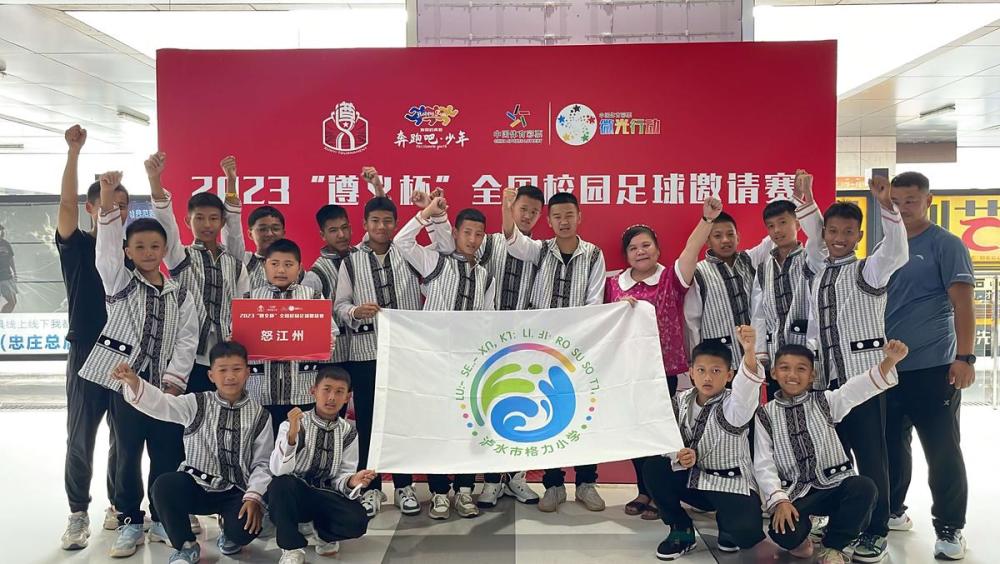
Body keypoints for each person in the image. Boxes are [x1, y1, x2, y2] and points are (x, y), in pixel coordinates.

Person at [76, 170, 199, 558]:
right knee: (126, 454)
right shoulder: (119, 283)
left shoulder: (181, 295)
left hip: (164, 389)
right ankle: (130, 520)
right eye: (140, 246)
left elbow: (187, 339)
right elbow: (106, 251)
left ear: (165, 250)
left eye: (155, 246)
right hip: (126, 385)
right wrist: (108, 198)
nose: (148, 252)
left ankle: (162, 517)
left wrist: (174, 381)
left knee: (167, 453)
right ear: (127, 252)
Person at [797, 175, 909, 562]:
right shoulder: (819, 270)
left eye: (848, 232)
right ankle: (844, 521)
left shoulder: (869, 270)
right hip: (826, 385)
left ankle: (877, 529)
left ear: (860, 236)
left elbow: (896, 251)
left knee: (871, 458)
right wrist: (808, 202)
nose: (839, 237)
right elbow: (813, 237)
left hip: (864, 382)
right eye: (833, 231)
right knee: (835, 457)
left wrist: (887, 208)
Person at [421, 184, 544, 508]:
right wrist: (435, 214)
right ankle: (490, 480)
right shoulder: (487, 242)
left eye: (533, 212)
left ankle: (516, 477)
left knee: (520, 409)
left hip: (522, 340)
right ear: (511, 207)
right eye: (522, 209)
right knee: (486, 413)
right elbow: (449, 244)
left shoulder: (539, 249)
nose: (527, 216)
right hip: (483, 341)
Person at [605, 197, 723, 520]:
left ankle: (661, 494)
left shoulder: (671, 278)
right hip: (629, 372)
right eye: (633, 248)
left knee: (662, 432)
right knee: (635, 432)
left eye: (646, 245)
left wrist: (707, 220)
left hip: (663, 371)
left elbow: (691, 251)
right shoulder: (614, 285)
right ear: (626, 255)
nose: (640, 251)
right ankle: (643, 490)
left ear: (657, 250)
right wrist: (618, 309)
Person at [110, 340, 272, 564]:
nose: (230, 376)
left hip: (235, 491)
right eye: (222, 370)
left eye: (236, 369)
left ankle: (229, 532)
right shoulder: (197, 403)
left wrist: (254, 497)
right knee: (164, 486)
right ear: (211, 375)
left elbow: (263, 463)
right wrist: (135, 382)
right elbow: (163, 404)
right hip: (196, 485)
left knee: (245, 530)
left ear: (247, 372)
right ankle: (186, 546)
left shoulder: (260, 415)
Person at [885, 171, 974, 560]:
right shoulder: (888, 245)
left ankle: (950, 528)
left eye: (911, 200)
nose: (903, 208)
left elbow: (963, 304)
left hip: (934, 368)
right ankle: (893, 511)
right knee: (891, 446)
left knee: (941, 451)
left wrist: (965, 358)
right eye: (896, 201)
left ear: (928, 200)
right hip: (889, 370)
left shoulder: (945, 244)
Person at [755, 341, 908, 564]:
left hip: (834, 485)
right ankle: (802, 540)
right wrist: (779, 501)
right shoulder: (765, 415)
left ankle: (833, 545)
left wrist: (890, 361)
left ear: (812, 375)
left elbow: (858, 388)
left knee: (864, 487)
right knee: (783, 532)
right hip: (796, 492)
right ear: (774, 373)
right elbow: (763, 464)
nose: (792, 375)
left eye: (801, 368)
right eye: (785, 368)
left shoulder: (825, 401)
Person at [56, 125, 135, 549]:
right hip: (87, 351)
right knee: (80, 437)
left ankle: (119, 507)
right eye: (106, 203)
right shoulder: (78, 246)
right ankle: (77, 513)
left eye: (121, 205)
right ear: (91, 208)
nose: (114, 210)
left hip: (126, 356)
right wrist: (74, 153)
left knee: (124, 439)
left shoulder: (137, 253)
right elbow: (65, 204)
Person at [504, 189, 607, 513]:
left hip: (578, 350)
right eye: (557, 216)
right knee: (549, 416)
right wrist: (507, 206)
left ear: (579, 217)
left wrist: (579, 340)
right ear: (548, 221)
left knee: (583, 416)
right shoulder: (539, 250)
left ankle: (586, 483)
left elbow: (594, 302)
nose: (564, 222)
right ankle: (553, 485)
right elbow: (512, 240)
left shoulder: (594, 255)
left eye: (569, 215)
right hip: (541, 351)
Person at [394, 193, 495, 519]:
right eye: (467, 232)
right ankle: (439, 492)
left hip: (468, 365)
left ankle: (464, 491)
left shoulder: (485, 276)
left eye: (478, 234)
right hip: (432, 362)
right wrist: (427, 213)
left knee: (469, 428)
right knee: (435, 427)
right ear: (455, 233)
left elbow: (489, 320)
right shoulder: (436, 262)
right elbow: (402, 242)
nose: (473, 239)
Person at [334, 193, 424, 518]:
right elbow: (339, 305)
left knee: (403, 421)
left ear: (396, 224)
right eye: (375, 221)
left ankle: (404, 486)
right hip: (365, 353)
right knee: (369, 422)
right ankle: (371, 488)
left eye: (388, 221)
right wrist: (355, 311)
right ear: (365, 224)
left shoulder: (409, 254)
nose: (382, 227)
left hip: (404, 353)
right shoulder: (351, 261)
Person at [642, 327, 766, 560]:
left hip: (729, 483)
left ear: (729, 375)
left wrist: (749, 351)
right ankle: (681, 529)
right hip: (692, 480)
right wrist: (677, 455)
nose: (708, 377)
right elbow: (662, 436)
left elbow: (746, 388)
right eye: (701, 370)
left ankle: (727, 524)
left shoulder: (736, 406)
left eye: (716, 371)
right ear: (691, 372)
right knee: (653, 467)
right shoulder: (680, 401)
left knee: (746, 534)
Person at [147, 152, 248, 393]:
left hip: (226, 356)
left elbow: (244, 305)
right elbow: (166, 224)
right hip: (188, 354)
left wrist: (231, 182)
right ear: (187, 221)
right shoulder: (180, 257)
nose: (207, 224)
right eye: (199, 218)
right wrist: (154, 180)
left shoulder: (234, 263)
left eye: (214, 218)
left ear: (222, 222)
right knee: (189, 411)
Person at [269, 366, 373, 564]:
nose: (332, 397)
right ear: (313, 391)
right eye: (326, 389)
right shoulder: (294, 424)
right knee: (280, 484)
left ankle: (323, 534)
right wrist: (292, 437)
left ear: (347, 397)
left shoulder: (349, 433)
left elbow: (342, 475)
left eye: (339, 392)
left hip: (326, 495)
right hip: (296, 493)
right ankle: (291, 548)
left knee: (358, 521)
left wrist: (352, 481)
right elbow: (278, 470)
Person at [244, 238, 331, 437]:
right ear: (264, 266)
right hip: (261, 390)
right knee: (263, 443)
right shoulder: (251, 299)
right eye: (274, 264)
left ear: (299, 268)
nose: (281, 270)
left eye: (288, 264)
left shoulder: (313, 297)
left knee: (300, 442)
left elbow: (329, 332)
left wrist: (328, 341)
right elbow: (239, 339)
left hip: (302, 389)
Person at [751, 171, 820, 399]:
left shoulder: (812, 258)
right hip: (776, 356)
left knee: (810, 409)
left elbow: (818, 236)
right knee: (777, 409)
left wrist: (804, 196)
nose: (777, 230)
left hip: (806, 353)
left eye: (783, 222)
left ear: (797, 223)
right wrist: (761, 354)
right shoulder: (764, 267)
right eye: (771, 226)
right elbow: (758, 314)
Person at [684, 209, 773, 370]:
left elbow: (771, 241)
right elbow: (692, 322)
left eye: (730, 234)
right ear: (708, 241)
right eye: (717, 236)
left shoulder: (748, 260)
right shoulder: (698, 272)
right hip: (717, 360)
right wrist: (695, 361)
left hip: (752, 357)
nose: (725, 240)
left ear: (738, 237)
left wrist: (795, 203)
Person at [310, 203, 356, 365]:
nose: (341, 235)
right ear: (322, 235)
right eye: (333, 230)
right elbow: (309, 318)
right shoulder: (316, 274)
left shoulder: (363, 257)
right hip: (335, 360)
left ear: (351, 228)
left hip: (366, 352)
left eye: (344, 228)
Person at [0, 223, 16, 313]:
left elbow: (11, 259)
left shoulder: (6, 244)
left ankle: (2, 316)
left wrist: (15, 273)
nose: (2, 232)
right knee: (11, 301)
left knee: (13, 302)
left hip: (7, 276)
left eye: (2, 230)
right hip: (2, 278)